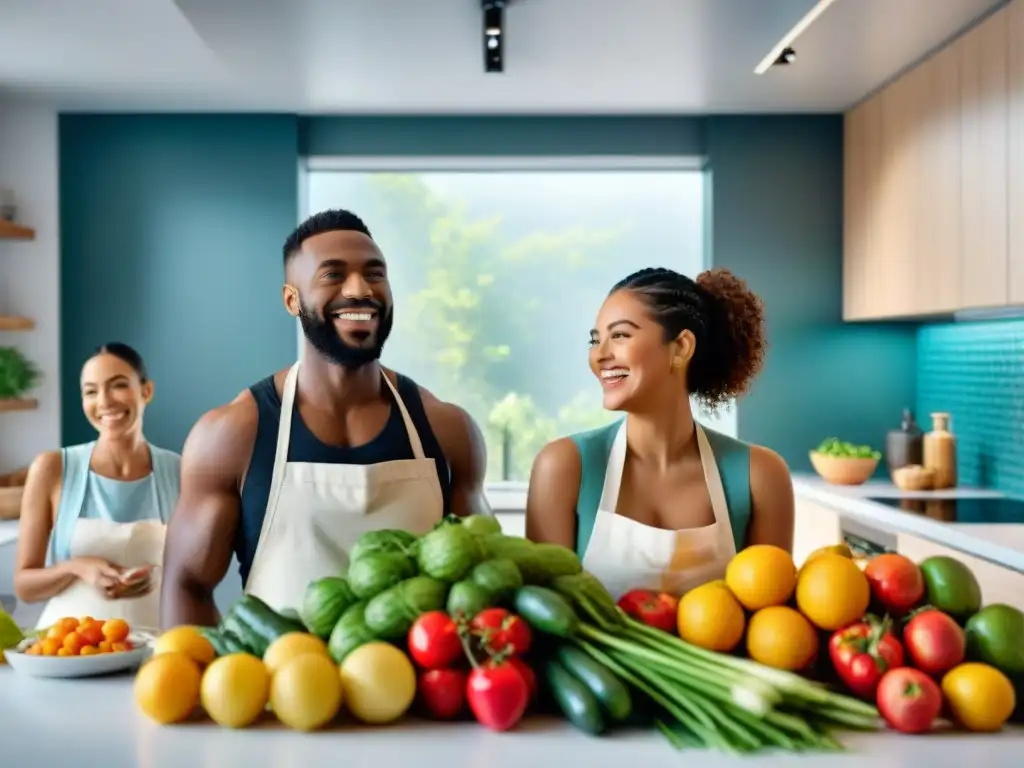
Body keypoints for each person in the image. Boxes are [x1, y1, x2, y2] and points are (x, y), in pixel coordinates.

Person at [161, 209, 490, 628]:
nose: (360, 289)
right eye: (333, 275)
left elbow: (482, 577)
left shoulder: (447, 429)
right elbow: (186, 585)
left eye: (375, 274)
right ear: (291, 299)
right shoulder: (231, 434)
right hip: (280, 687)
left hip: (418, 690)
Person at [525, 267, 794, 599]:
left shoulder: (760, 476)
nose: (600, 355)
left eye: (620, 335)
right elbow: (545, 616)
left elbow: (773, 622)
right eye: (595, 340)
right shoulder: (564, 467)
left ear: (680, 348)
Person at [14, 343, 181, 629]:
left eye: (118, 385)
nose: (104, 401)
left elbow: (193, 574)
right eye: (91, 391)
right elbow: (25, 586)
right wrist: (77, 567)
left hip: (156, 648)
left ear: (146, 391)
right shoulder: (51, 468)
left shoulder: (179, 471)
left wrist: (161, 575)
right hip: (70, 649)